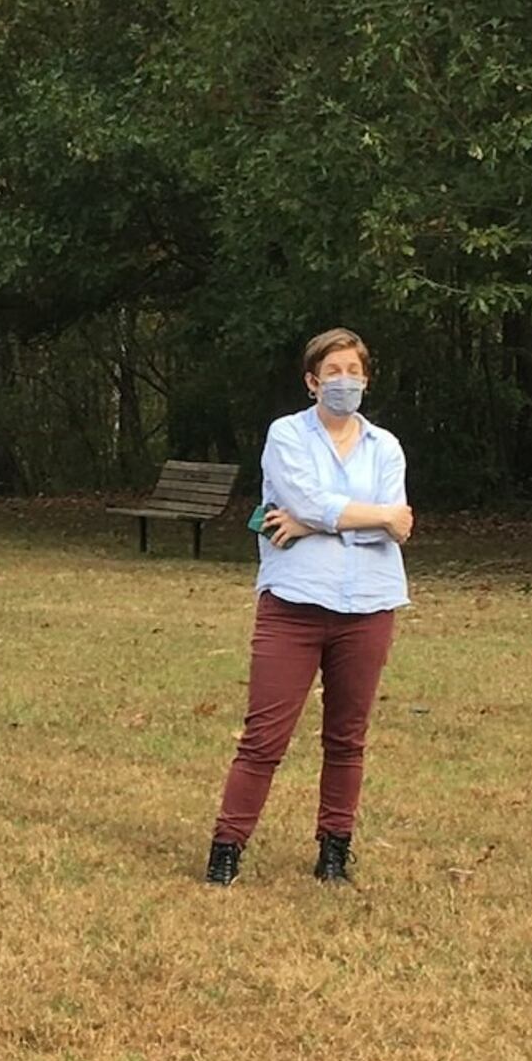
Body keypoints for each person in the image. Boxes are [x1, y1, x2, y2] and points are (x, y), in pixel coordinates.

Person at [207, 325, 414, 885]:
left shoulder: (385, 447)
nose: (343, 381)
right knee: (263, 737)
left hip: (370, 605)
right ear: (311, 381)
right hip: (294, 603)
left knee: (347, 737)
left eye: (353, 372)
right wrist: (360, 516)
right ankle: (227, 849)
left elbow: (396, 523)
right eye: (332, 372)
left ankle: (334, 849)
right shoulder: (286, 435)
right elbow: (308, 500)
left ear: (366, 380)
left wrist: (315, 521)